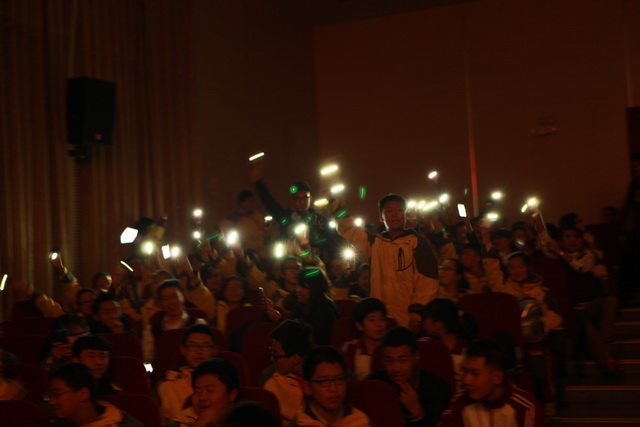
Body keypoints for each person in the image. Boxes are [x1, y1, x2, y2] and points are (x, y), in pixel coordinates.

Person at [336, 194, 439, 329]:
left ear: (405, 214)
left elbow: (428, 281)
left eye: (399, 210)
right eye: (389, 211)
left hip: (408, 319)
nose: (394, 215)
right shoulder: (374, 243)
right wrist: (335, 204)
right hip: (380, 319)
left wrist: (417, 313)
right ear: (381, 217)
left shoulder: (416, 242)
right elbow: (349, 229)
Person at [439, 339, 542, 427]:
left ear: (497, 378)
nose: (466, 380)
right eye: (465, 372)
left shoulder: (524, 407)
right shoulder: (461, 402)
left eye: (475, 374)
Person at [366, 326, 450, 427]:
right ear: (382, 360)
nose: (396, 368)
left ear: (416, 357)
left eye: (403, 360)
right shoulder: (373, 385)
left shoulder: (437, 388)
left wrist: (418, 413)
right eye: (389, 361)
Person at [290, 346, 371, 427]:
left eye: (339, 379)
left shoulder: (361, 421)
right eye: (323, 381)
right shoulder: (301, 423)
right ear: (307, 387)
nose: (333, 388)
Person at [41, 363, 142, 426]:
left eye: (57, 394)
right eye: (50, 395)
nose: (52, 402)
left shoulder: (123, 424)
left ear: (83, 394)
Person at [157, 324, 219, 421]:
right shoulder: (166, 386)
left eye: (205, 346)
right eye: (193, 345)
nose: (199, 351)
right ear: (183, 350)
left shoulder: (225, 382)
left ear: (214, 350)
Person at [420, 299, 477, 394]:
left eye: (426, 318)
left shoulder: (468, 349)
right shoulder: (426, 345)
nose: (423, 322)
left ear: (438, 324)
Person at [262, 319, 313, 424]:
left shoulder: (322, 378)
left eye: (275, 354)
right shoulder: (271, 380)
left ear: (295, 358)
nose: (272, 358)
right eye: (271, 352)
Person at [170, 358, 240, 427]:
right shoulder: (182, 420)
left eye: (210, 390)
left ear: (232, 394)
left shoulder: (244, 420)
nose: (202, 397)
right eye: (197, 391)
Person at [287, 268, 338, 345]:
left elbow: (316, 336)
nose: (298, 290)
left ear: (314, 287)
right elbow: (288, 323)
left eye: (301, 287)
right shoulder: (304, 305)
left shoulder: (326, 309)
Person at [341, 297, 388, 379]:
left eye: (382, 319)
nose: (379, 324)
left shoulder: (390, 348)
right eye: (372, 320)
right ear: (359, 325)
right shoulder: (351, 348)